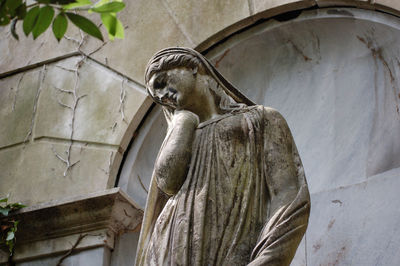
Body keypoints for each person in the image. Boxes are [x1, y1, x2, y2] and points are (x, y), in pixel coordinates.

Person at [135, 47, 310, 266]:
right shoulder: (182, 132)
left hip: (237, 246)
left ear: (192, 67)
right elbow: (168, 183)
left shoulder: (261, 119)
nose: (161, 96)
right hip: (170, 250)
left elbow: (289, 196)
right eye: (156, 96)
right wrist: (183, 122)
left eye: (161, 83)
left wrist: (268, 259)